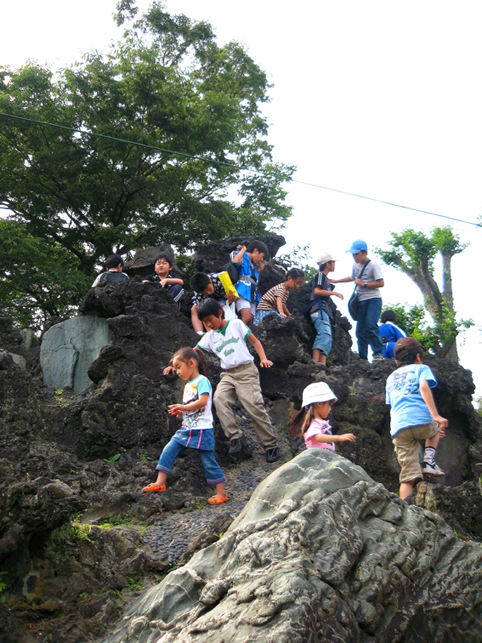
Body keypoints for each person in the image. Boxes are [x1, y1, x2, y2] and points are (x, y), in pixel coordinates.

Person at [195, 298, 280, 463]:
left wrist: (263, 358)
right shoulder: (209, 337)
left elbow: (255, 341)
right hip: (228, 374)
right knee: (219, 399)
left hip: (246, 371)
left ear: (219, 313)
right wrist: (176, 364)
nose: (209, 324)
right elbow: (194, 352)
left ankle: (271, 445)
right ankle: (235, 438)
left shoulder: (236, 324)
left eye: (210, 319)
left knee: (253, 406)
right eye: (205, 322)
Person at [143, 347, 228, 505]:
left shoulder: (202, 381)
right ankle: (160, 483)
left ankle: (221, 494)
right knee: (169, 449)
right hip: (187, 428)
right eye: (175, 369)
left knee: (208, 461)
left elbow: (202, 402)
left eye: (179, 367)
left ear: (191, 363)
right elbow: (191, 406)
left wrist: (182, 407)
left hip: (202, 430)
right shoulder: (188, 385)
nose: (177, 372)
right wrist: (181, 411)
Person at [386, 337, 448, 500]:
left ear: (396, 360)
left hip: (399, 427)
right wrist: (435, 416)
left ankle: (404, 509)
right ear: (418, 357)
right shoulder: (421, 368)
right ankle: (429, 461)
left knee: (408, 476)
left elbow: (391, 403)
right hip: (422, 420)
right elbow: (423, 387)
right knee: (435, 429)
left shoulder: (390, 378)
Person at [331, 239, 384, 361]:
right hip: (360, 300)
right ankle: (363, 357)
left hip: (373, 299)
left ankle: (378, 353)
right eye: (353, 254)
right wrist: (337, 281)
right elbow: (352, 277)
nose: (354, 257)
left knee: (371, 325)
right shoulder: (355, 265)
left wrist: (364, 284)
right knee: (360, 331)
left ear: (365, 252)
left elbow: (381, 283)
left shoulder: (373, 265)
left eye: (356, 254)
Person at [289, 382, 355, 450]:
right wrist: (338, 438)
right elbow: (318, 437)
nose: (330, 409)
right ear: (319, 404)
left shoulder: (319, 422)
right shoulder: (313, 423)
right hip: (318, 456)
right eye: (329, 405)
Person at [309, 253, 344, 365]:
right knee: (324, 334)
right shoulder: (320, 275)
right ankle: (315, 362)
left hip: (323, 310)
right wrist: (334, 293)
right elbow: (317, 291)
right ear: (327, 264)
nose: (334, 264)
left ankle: (322, 365)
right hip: (319, 309)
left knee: (327, 337)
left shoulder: (325, 278)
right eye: (333, 262)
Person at [230, 240, 269, 326]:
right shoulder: (243, 255)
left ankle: (243, 333)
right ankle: (236, 332)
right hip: (242, 290)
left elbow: (253, 280)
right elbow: (235, 260)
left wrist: (258, 272)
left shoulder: (253, 266)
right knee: (246, 317)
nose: (261, 260)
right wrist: (243, 249)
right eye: (262, 256)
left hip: (252, 293)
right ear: (256, 251)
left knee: (250, 320)